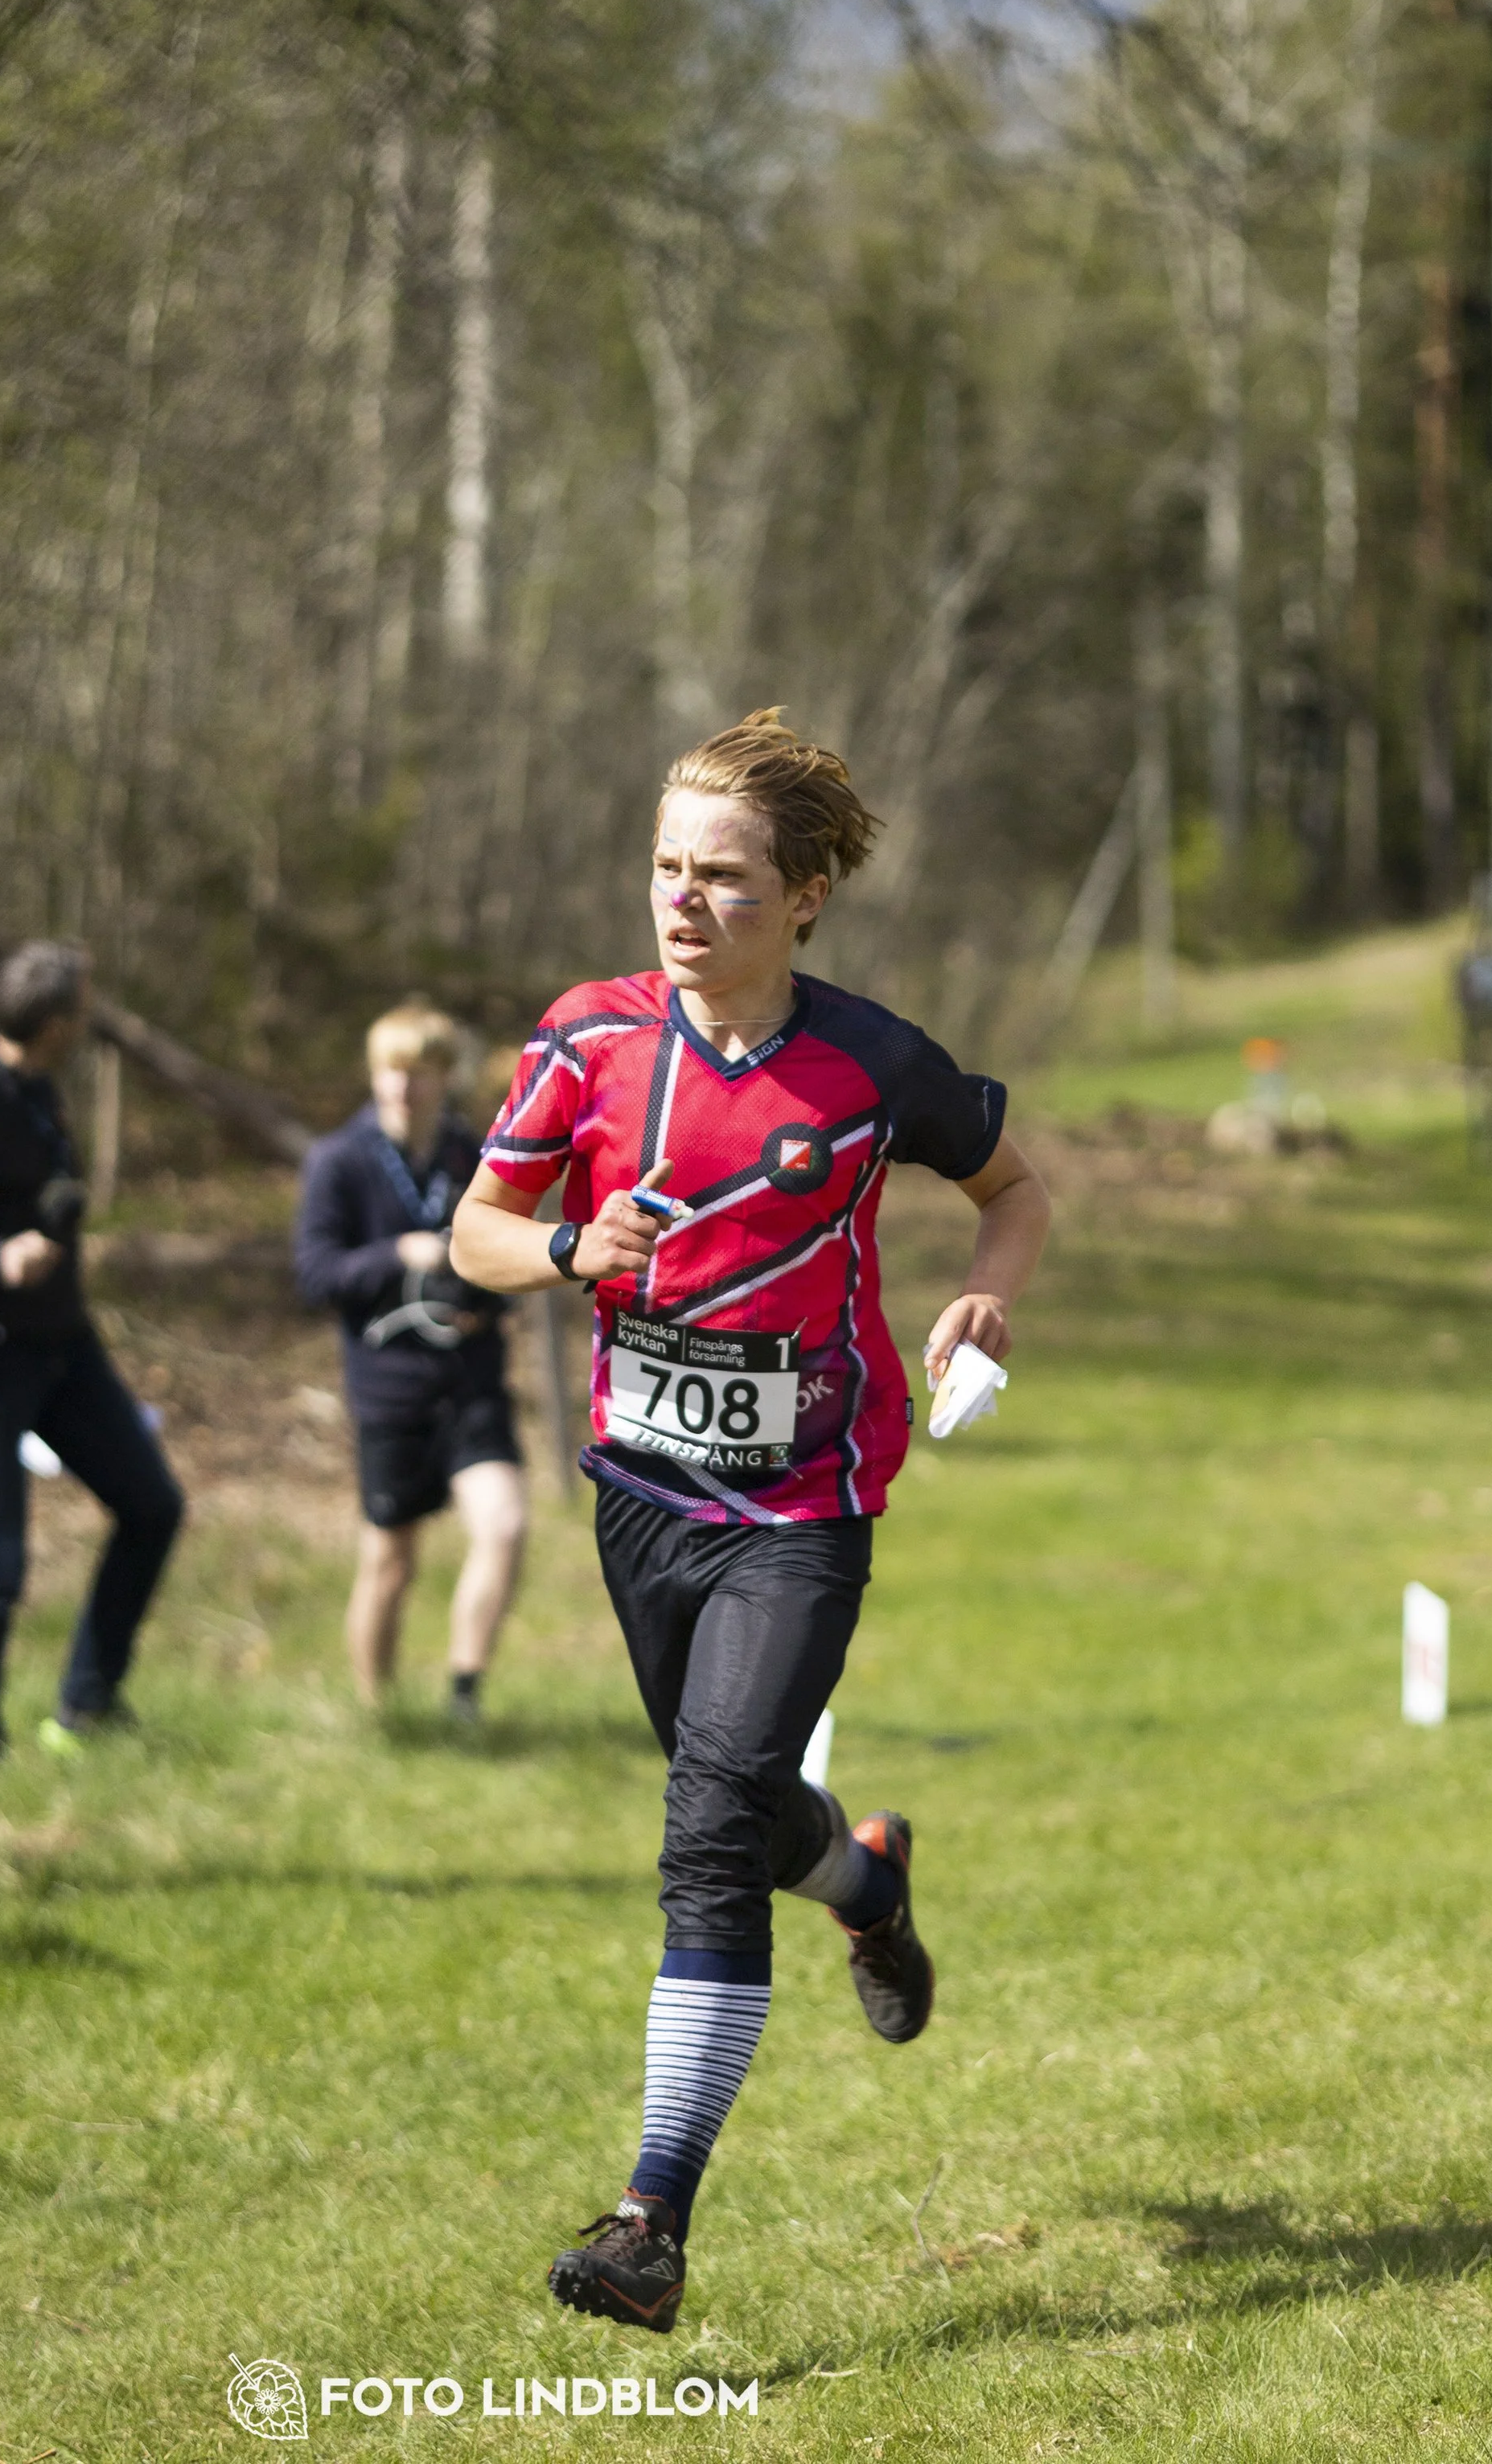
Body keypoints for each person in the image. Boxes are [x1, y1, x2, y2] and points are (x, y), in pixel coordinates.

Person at [452, 708, 1051, 2331]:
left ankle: (649, 2217)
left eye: (718, 876)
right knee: (739, 1804)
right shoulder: (583, 1041)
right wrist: (575, 1249)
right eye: (662, 867)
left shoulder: (869, 1064)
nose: (678, 899)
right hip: (641, 1496)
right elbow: (473, 1231)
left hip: (803, 1498)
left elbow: (1014, 1192)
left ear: (802, 898)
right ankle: (863, 1881)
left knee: (704, 1831)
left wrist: (980, 1304)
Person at [0, 941, 184, 1760]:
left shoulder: (34, 1090)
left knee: (152, 1505)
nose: (89, 1020)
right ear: (56, 1024)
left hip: (62, 1345)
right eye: (83, 1008)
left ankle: (88, 1702)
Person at [294, 1002, 528, 1723]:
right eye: (389, 1072)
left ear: (446, 1078)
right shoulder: (339, 1161)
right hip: (390, 1390)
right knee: (390, 1561)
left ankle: (465, 1692)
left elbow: (510, 1263)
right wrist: (398, 1254)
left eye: (418, 1074)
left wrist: (480, 1303)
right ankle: (377, 1708)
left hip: (472, 1380)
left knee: (505, 1526)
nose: (401, 1088)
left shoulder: (475, 1156)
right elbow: (315, 1275)